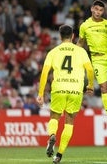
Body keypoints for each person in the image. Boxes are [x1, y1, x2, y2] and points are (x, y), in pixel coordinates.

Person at [36, 25, 94, 164]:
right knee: (69, 121)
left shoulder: (53, 52)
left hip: (59, 88)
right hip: (75, 89)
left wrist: (40, 93)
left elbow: (44, 73)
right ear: (73, 36)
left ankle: (52, 135)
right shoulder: (80, 51)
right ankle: (59, 155)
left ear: (60, 36)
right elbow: (90, 70)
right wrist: (90, 85)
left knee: (54, 117)